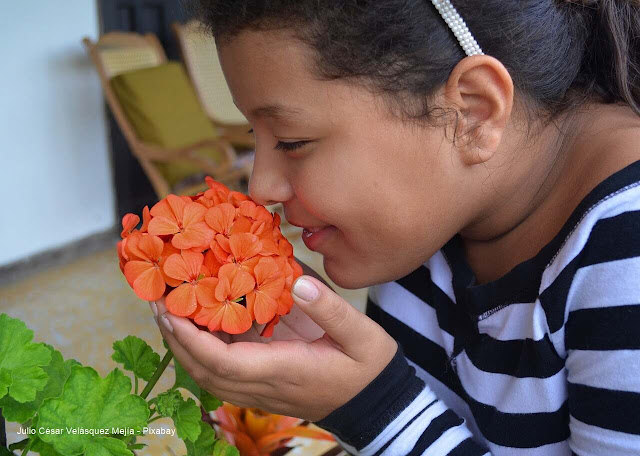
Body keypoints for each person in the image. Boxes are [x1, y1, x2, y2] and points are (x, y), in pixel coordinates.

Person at [149, 0, 640, 454]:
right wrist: (337, 357)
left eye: (293, 141)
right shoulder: (423, 220)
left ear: (471, 111)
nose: (261, 189)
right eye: (255, 135)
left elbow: (400, 416)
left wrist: (373, 406)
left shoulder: (627, 253)